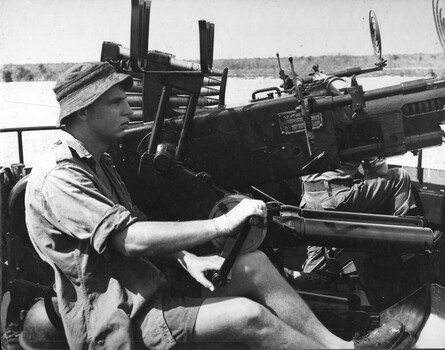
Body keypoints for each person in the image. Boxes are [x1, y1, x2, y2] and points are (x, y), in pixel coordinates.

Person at [25, 62, 404, 350]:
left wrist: (189, 258)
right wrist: (222, 226)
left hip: (148, 287)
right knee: (248, 316)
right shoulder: (60, 177)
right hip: (121, 315)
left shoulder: (97, 160)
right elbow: (128, 239)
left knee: (252, 264)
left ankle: (342, 347)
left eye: (126, 100)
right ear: (83, 112)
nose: (127, 109)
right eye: (116, 103)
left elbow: (135, 221)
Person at [299, 74, 417, 273]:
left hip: (309, 200)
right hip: (338, 199)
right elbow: (382, 170)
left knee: (315, 265)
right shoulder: (351, 125)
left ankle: (305, 285)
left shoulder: (307, 128)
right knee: (400, 177)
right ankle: (406, 243)